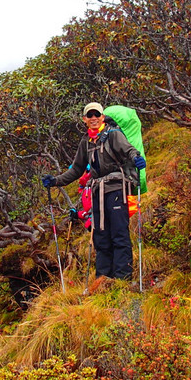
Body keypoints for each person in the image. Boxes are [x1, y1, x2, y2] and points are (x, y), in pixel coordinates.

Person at [42, 102, 146, 280]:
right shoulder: (86, 142)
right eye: (89, 115)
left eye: (96, 114)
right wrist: (56, 181)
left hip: (116, 189)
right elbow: (77, 169)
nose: (93, 118)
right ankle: (103, 279)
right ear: (84, 119)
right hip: (98, 193)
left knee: (119, 233)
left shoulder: (113, 134)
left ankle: (122, 278)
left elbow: (129, 150)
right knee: (101, 237)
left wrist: (136, 158)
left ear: (102, 117)